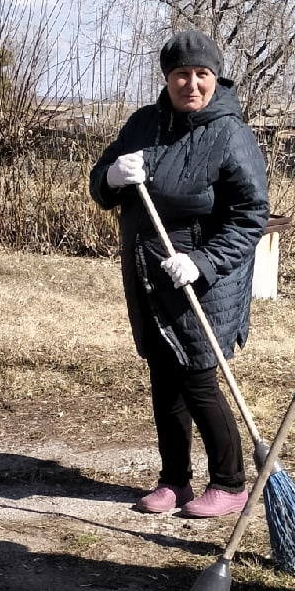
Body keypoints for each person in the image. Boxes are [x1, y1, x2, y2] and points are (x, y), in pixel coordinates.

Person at [90, 28, 269, 517]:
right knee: (163, 379)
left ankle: (230, 484)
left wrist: (203, 261)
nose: (192, 84)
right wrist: (109, 177)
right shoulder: (143, 125)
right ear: (167, 79)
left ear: (216, 78)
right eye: (181, 75)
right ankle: (175, 481)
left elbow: (251, 214)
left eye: (202, 75)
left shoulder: (231, 133)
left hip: (204, 279)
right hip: (149, 274)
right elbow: (101, 184)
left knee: (198, 380)